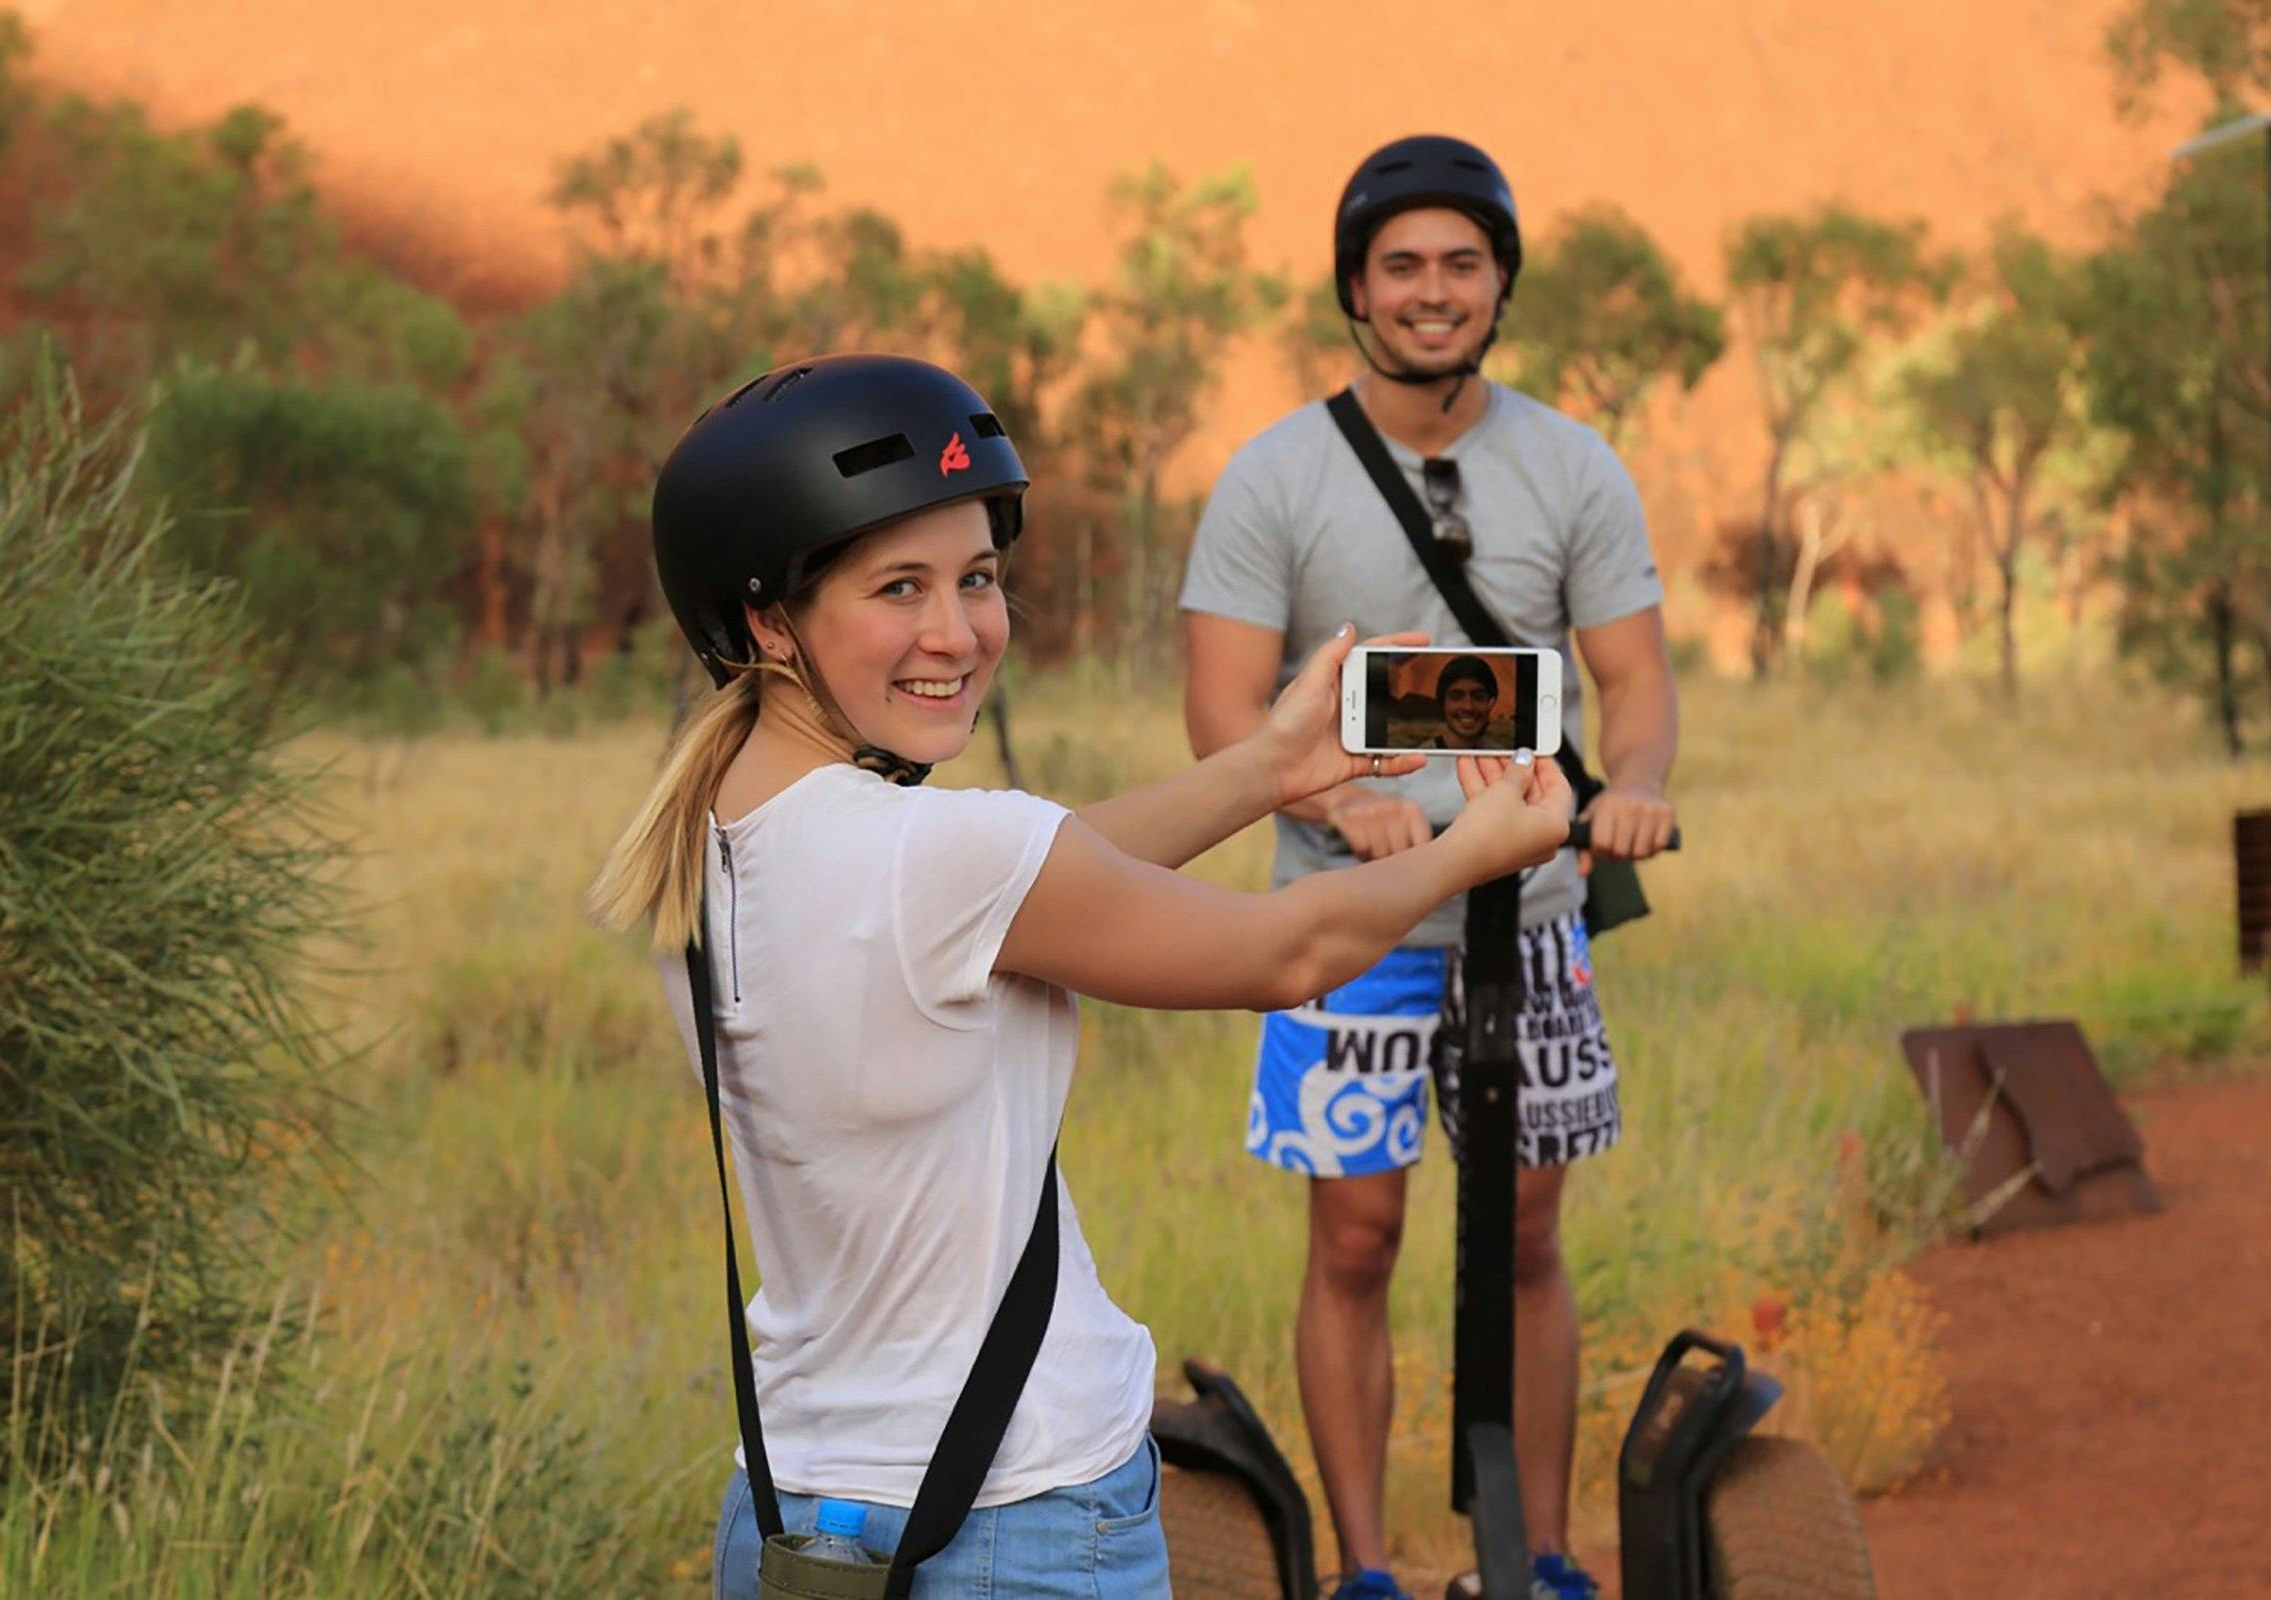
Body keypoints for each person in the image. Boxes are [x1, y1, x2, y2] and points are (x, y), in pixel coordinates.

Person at [589, 353, 1580, 1600]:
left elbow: (1038, 875)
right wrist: (1470, 851)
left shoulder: (703, 847)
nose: (957, 632)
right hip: (1018, 1519)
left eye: (978, 578)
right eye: (899, 587)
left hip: (790, 1511)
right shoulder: (936, 856)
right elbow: (1287, 951)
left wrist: (1267, 768)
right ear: (768, 622)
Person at [1179, 135, 1680, 1600]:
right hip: (1345, 924)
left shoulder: (1570, 465)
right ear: (1355, 288)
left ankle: (1540, 1557)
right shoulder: (1275, 477)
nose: (1431, 290)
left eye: (1462, 262)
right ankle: (1365, 1569)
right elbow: (1221, 706)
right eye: (1399, 264)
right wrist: (1347, 812)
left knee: (1524, 1228)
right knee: (1356, 1234)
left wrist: (1636, 786)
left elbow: (1632, 676)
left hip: (1529, 913)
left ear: (1500, 283)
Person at [1425, 654, 1502, 749]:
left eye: (1478, 697)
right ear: (1442, 703)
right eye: (1456, 697)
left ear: (1491, 703)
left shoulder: (1504, 754)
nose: (1468, 707)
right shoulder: (1420, 755)